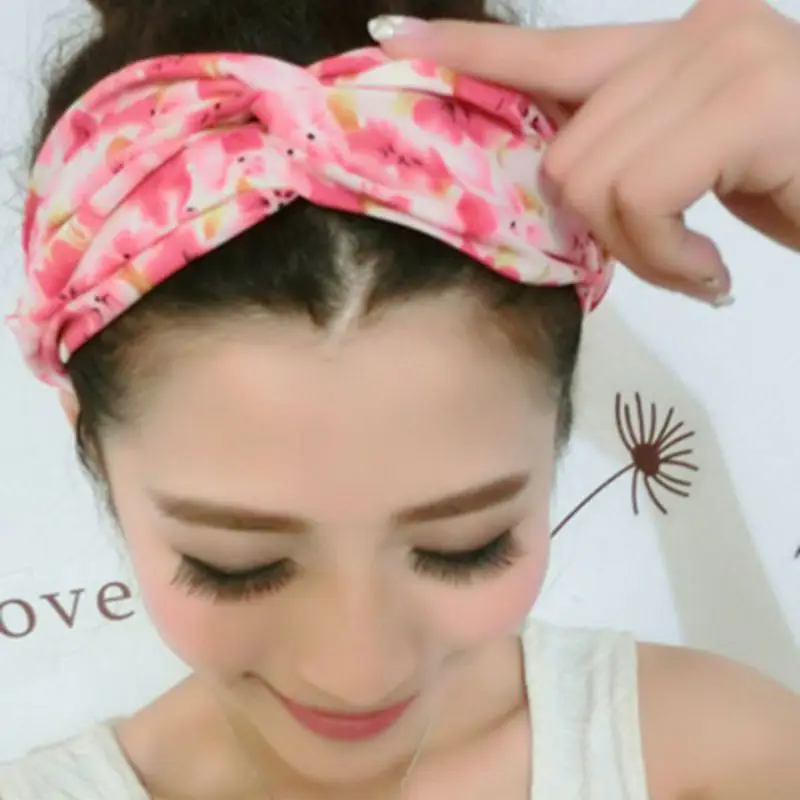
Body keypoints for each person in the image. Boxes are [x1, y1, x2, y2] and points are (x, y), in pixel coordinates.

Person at [0, 0, 797, 799]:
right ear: (88, 441)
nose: (357, 673)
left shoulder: (720, 759)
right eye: (239, 568)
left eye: (464, 547)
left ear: (556, 418)